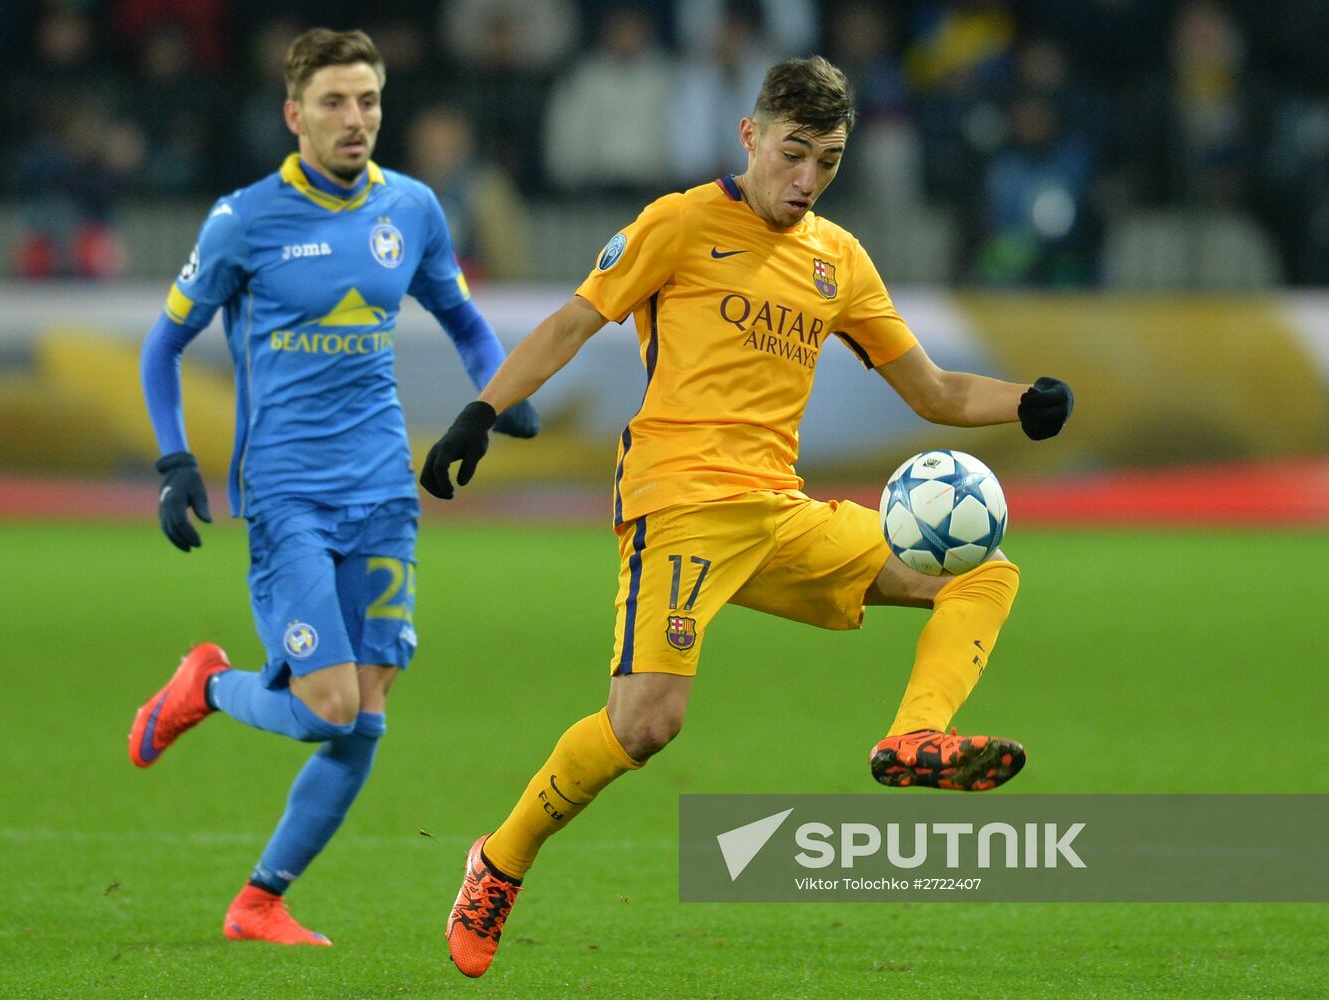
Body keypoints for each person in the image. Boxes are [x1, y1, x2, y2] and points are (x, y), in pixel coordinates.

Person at [420, 55, 1073, 977]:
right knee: (646, 726)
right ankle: (499, 860)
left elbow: (930, 390)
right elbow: (573, 320)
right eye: (794, 153)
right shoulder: (679, 223)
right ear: (751, 137)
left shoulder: (837, 259)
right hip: (678, 505)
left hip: (776, 510)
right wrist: (479, 413)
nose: (806, 181)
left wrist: (1024, 402)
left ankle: (913, 734)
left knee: (984, 570)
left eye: (829, 162)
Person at [128, 27, 539, 947]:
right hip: (287, 495)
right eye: (333, 103)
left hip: (384, 492)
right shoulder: (244, 221)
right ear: (293, 114)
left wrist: (498, 396)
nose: (355, 120)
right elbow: (163, 346)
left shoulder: (414, 208)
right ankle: (210, 683)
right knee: (329, 708)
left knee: (368, 713)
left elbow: (465, 320)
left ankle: (259, 901)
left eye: (368, 102)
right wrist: (173, 458)